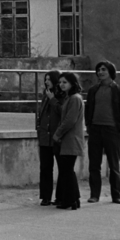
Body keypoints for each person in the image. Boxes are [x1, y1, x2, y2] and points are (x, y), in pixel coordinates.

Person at [84, 60, 120, 204]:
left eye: (103, 70)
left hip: (112, 131)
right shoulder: (93, 90)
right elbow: (87, 109)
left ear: (111, 72)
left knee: (114, 165)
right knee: (94, 165)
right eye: (98, 70)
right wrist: (88, 125)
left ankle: (117, 195)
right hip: (95, 130)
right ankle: (94, 195)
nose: (100, 72)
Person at [51, 71, 85, 210]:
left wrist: (57, 134)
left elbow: (69, 120)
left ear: (72, 83)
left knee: (67, 170)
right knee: (67, 170)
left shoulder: (74, 98)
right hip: (69, 139)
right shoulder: (71, 98)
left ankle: (70, 200)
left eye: (65, 82)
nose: (61, 85)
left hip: (71, 139)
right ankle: (73, 199)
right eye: (60, 82)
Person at [34, 70, 63, 206]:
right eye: (45, 79)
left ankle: (60, 196)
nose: (46, 82)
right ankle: (45, 196)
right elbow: (41, 114)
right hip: (45, 136)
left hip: (57, 137)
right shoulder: (45, 95)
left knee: (62, 168)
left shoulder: (61, 96)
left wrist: (52, 99)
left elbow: (62, 112)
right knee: (45, 168)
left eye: (49, 80)